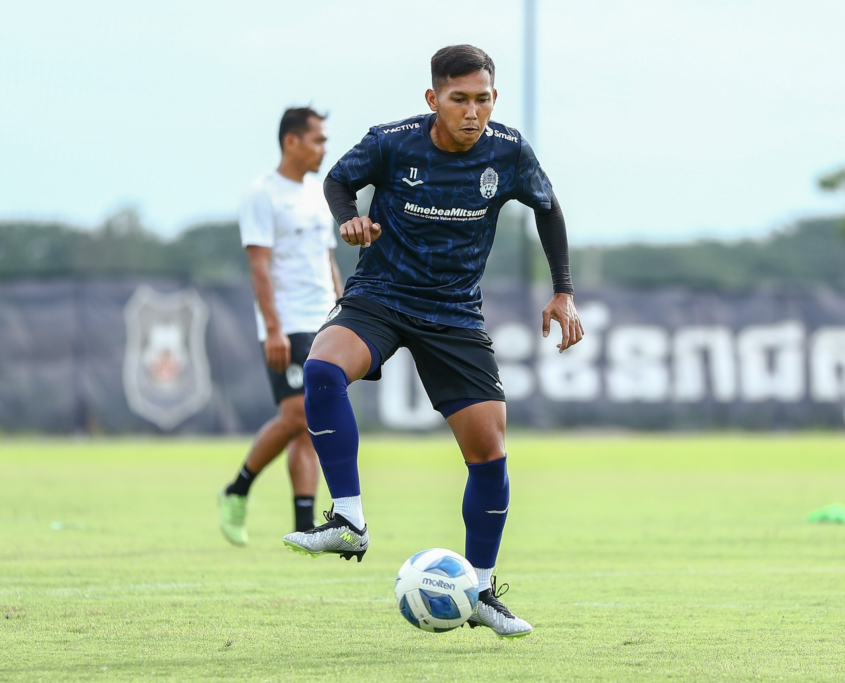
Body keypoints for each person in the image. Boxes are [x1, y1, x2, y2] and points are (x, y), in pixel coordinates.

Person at [282, 45, 583, 638]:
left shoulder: (509, 150)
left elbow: (547, 209)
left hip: (454, 313)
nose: (472, 112)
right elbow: (339, 180)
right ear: (433, 99)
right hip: (381, 296)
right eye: (459, 99)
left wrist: (563, 291)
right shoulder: (393, 142)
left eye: (483, 99)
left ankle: (481, 589)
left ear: (494, 99)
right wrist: (349, 219)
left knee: (489, 452)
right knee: (321, 370)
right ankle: (348, 519)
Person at [218, 106, 344, 546]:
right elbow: (259, 266)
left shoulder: (318, 194)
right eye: (318, 140)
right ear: (291, 141)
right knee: (296, 415)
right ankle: (237, 489)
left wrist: (343, 306)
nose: (324, 149)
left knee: (313, 421)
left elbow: (327, 258)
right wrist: (272, 329)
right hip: (287, 323)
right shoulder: (262, 194)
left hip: (324, 320)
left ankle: (304, 526)